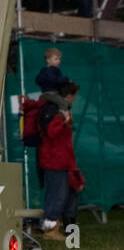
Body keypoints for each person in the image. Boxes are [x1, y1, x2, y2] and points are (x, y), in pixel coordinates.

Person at [37, 81, 82, 241]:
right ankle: (50, 229)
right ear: (68, 96)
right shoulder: (56, 111)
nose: (74, 100)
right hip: (54, 160)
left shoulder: (57, 109)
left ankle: (52, 227)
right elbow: (52, 132)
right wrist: (63, 120)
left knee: (60, 195)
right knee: (57, 196)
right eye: (74, 96)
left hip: (60, 160)